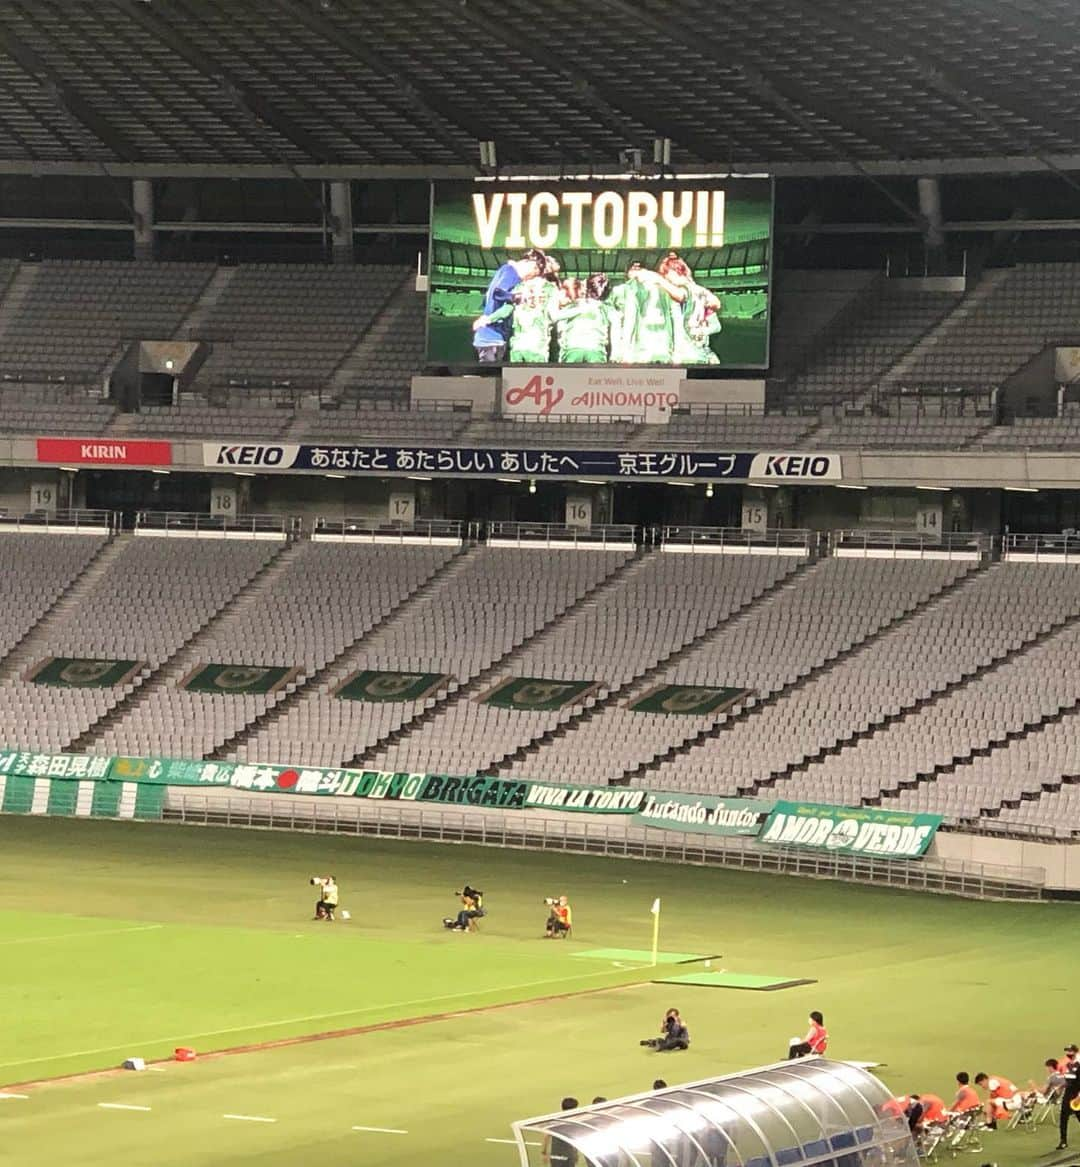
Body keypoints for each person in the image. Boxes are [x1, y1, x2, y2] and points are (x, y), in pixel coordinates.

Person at [472, 249, 548, 362]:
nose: (530, 277)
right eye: (534, 272)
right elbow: (498, 293)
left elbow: (490, 298)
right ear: (530, 264)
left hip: (489, 336)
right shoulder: (511, 272)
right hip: (491, 337)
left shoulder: (506, 271)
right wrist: (517, 297)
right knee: (490, 376)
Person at [657, 252, 722, 365]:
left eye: (667, 274)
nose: (667, 279)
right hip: (675, 356)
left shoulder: (701, 294)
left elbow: (716, 326)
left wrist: (701, 331)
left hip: (698, 355)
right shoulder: (667, 296)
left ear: (678, 271)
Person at [553, 273, 613, 363]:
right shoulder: (604, 308)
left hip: (573, 347)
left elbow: (558, 321)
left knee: (569, 376)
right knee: (595, 376)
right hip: (595, 349)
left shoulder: (571, 306)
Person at [541, 1097, 579, 1167]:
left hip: (556, 1156)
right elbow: (575, 1139)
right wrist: (575, 1153)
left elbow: (546, 1136)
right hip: (569, 1155)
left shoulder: (554, 1120)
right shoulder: (574, 1122)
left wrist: (544, 1152)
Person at [1057, 1054, 1080, 1150]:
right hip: (1067, 1095)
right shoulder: (1068, 1067)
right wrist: (1061, 1087)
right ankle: (1063, 1141)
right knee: (1063, 1118)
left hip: (1076, 1096)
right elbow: (1068, 1081)